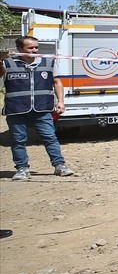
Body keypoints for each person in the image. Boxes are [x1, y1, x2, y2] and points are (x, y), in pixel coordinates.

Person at [3, 36, 75, 180]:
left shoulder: (48, 62)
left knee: (50, 137)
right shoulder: (7, 63)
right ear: (19, 49)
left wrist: (61, 101)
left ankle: (59, 166)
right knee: (18, 140)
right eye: (30, 48)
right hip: (16, 109)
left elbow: (57, 82)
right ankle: (22, 169)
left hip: (42, 108)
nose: (35, 50)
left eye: (36, 47)